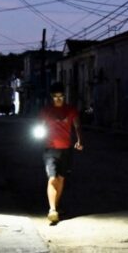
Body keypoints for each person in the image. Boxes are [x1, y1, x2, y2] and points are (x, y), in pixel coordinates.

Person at [39, 82, 84, 224]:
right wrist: (40, 132)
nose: (58, 99)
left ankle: (56, 205)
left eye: (61, 96)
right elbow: (41, 125)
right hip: (50, 149)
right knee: (52, 178)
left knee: (61, 179)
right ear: (51, 97)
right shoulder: (46, 111)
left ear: (64, 96)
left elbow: (77, 125)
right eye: (55, 96)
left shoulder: (71, 110)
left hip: (66, 149)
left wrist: (79, 140)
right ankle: (52, 210)